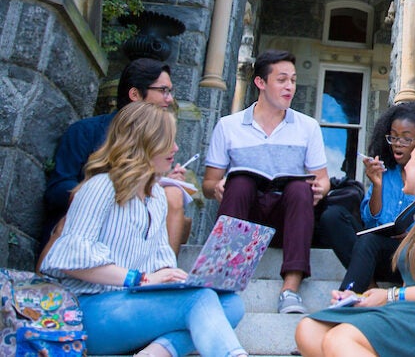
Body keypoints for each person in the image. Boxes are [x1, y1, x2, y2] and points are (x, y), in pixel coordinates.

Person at [40, 102, 249, 357]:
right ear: (144, 143)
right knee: (198, 300)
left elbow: (160, 262)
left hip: (131, 305)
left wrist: (181, 278)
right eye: (168, 141)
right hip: (85, 312)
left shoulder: (156, 197)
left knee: (231, 304)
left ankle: (155, 353)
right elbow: (70, 261)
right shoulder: (100, 187)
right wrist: (141, 279)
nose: (176, 148)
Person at [295, 135, 415, 357]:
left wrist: (390, 296)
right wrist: (364, 299)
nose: (405, 166)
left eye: (412, 160)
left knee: (340, 339)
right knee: (309, 330)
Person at [202, 49, 330, 315]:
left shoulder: (307, 127)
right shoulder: (229, 126)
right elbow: (208, 184)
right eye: (282, 80)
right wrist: (217, 187)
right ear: (260, 82)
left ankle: (290, 290)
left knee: (299, 188)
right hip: (245, 216)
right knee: (239, 183)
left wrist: (319, 189)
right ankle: (223, 282)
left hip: (288, 221)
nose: (290, 87)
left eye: (293, 80)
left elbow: (323, 180)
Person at [42, 58, 192, 255]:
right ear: (135, 94)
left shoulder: (155, 142)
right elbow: (57, 190)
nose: (170, 99)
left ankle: (164, 272)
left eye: (170, 91)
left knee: (173, 196)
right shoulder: (85, 132)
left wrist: (159, 181)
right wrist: (107, 189)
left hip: (131, 237)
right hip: (84, 235)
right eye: (163, 90)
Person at [319, 100, 415, 291]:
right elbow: (372, 222)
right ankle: (368, 285)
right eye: (393, 137)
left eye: (406, 138)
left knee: (369, 242)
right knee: (333, 217)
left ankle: (349, 297)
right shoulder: (386, 171)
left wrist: (412, 235)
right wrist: (377, 184)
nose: (398, 144)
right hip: (377, 252)